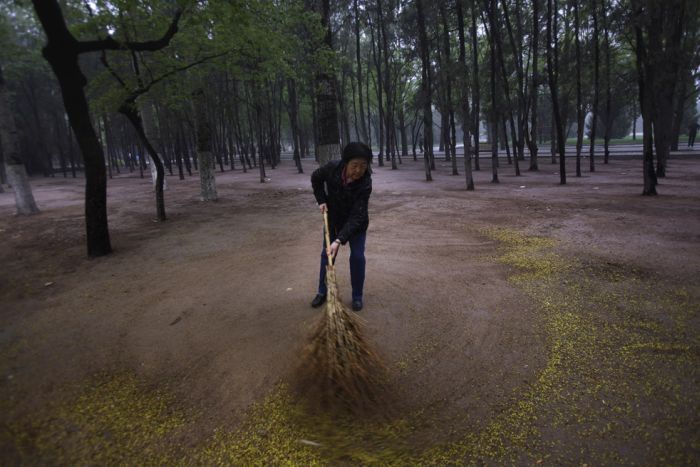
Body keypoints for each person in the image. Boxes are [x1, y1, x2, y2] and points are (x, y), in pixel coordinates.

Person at [310, 142, 373, 312]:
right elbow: (316, 178)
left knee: (358, 257)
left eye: (363, 166)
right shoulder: (332, 168)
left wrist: (338, 240)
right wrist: (321, 199)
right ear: (346, 163)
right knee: (327, 254)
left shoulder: (365, 182)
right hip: (333, 219)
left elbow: (357, 216)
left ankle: (357, 296)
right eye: (355, 165)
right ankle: (323, 292)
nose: (359, 170)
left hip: (356, 224)